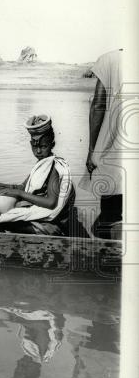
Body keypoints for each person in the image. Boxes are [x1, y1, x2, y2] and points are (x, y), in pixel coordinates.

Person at [0, 115, 75, 235]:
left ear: (52, 144)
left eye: (43, 146)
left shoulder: (55, 167)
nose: (38, 151)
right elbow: (22, 187)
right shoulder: (41, 164)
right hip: (37, 216)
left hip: (50, 224)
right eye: (35, 146)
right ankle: (5, 249)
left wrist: (19, 194)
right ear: (30, 144)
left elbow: (51, 202)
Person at [80, 49, 123, 239]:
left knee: (109, 217)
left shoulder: (110, 60)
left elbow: (98, 105)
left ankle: (109, 262)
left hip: (114, 160)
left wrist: (91, 151)